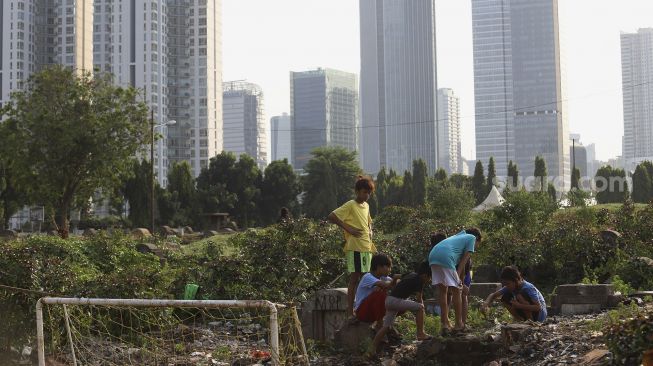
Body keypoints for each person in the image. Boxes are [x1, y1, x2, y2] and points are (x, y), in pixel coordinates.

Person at [327, 176, 376, 317]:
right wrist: (349, 229)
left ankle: (363, 308)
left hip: (367, 247)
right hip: (354, 247)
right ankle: (350, 312)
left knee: (366, 279)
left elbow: (369, 221)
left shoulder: (366, 206)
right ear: (357, 191)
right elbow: (332, 216)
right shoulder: (350, 204)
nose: (367, 195)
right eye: (364, 192)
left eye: (369, 193)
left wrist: (370, 230)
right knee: (354, 279)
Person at [368, 261, 432, 357]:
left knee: (386, 326)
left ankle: (371, 349)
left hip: (389, 300)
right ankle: (420, 333)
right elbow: (419, 298)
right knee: (420, 307)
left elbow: (396, 276)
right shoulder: (420, 280)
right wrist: (422, 310)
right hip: (395, 301)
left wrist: (392, 285)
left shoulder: (411, 274)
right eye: (430, 278)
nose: (429, 280)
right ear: (425, 275)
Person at [428, 228, 482, 334]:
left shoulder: (456, 238)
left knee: (443, 291)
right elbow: (463, 261)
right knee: (457, 291)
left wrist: (459, 279)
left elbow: (460, 264)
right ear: (478, 240)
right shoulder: (472, 238)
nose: (477, 247)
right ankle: (458, 324)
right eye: (478, 244)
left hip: (433, 256)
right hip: (446, 258)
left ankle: (444, 324)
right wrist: (457, 279)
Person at [481, 266, 547, 322]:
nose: (506, 286)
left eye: (508, 283)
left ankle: (530, 323)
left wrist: (519, 306)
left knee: (520, 296)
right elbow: (493, 295)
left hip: (539, 315)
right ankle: (520, 320)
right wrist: (486, 304)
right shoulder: (510, 286)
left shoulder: (528, 288)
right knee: (505, 297)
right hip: (527, 310)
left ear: (516, 280)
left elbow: (538, 307)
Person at [353, 253, 399, 328]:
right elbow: (387, 285)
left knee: (398, 301)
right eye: (388, 267)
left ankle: (388, 324)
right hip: (362, 312)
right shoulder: (367, 277)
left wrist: (400, 280)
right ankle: (380, 325)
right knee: (379, 294)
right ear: (379, 267)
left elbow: (395, 283)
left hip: (371, 312)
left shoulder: (383, 277)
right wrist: (396, 278)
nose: (390, 270)